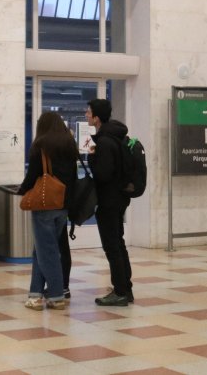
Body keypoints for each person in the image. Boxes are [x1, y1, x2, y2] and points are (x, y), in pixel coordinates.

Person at [17, 111, 79, 310]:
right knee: (41, 250)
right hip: (62, 205)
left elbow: (33, 175)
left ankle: (56, 295)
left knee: (48, 251)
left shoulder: (40, 146)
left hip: (44, 205)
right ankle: (35, 295)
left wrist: (22, 190)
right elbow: (73, 177)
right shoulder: (70, 145)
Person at [86, 98, 134, 306]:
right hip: (119, 199)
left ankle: (120, 291)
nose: (86, 115)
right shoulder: (117, 137)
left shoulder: (104, 142)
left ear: (96, 117)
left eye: (88, 112)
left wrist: (91, 158)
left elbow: (103, 174)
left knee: (112, 246)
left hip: (109, 200)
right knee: (119, 244)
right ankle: (125, 288)